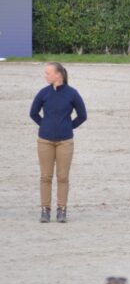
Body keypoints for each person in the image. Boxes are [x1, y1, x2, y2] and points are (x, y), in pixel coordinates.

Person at [29, 62, 88, 223]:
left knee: (63, 177)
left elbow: (82, 115)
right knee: (45, 177)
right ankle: (45, 210)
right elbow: (33, 113)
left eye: (48, 73)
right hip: (44, 141)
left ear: (58, 75)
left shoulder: (72, 93)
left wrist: (68, 126)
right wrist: (45, 125)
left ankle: (62, 210)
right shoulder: (43, 93)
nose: (45, 75)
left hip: (65, 142)